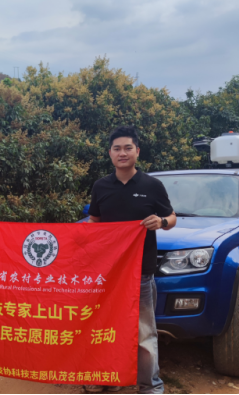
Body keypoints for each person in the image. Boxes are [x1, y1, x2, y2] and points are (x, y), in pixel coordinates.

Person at [86, 126, 177, 395]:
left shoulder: (152, 186)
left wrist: (161, 222)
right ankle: (108, 377)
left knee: (144, 333)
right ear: (110, 153)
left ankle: (150, 386)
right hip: (107, 274)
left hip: (141, 273)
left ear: (137, 151)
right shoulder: (100, 186)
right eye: (117, 148)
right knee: (105, 327)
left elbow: (172, 218)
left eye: (128, 148)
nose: (122, 153)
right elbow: (94, 223)